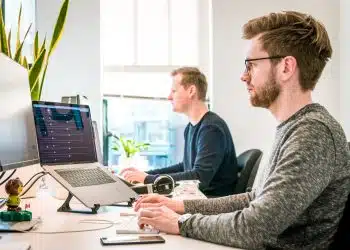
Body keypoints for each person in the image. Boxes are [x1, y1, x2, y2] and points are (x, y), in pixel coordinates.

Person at [133, 11, 350, 249]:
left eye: (252, 65)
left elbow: (255, 226)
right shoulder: (294, 127)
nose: (243, 76)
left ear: (286, 67)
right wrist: (180, 206)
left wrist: (181, 222)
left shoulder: (313, 133)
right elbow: (253, 199)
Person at [120, 67, 239, 197]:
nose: (169, 97)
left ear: (191, 91)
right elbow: (185, 167)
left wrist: (148, 179)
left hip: (210, 202)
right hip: (196, 197)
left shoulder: (211, 129)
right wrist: (147, 174)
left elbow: (199, 178)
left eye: (174, 91)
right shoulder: (191, 127)